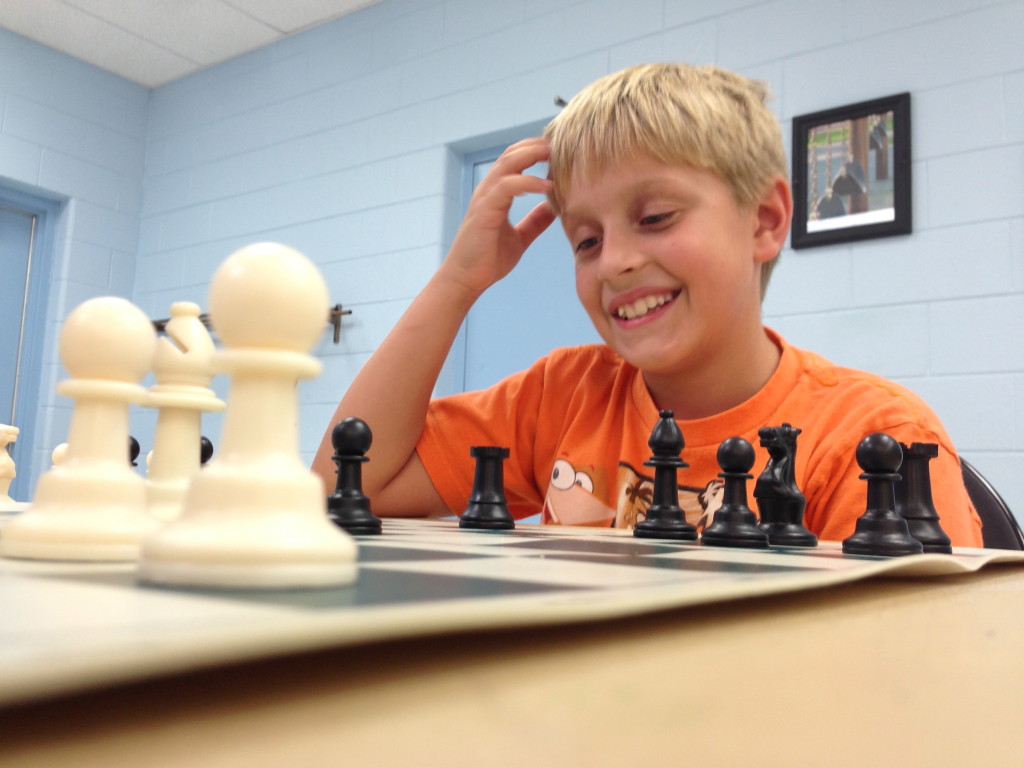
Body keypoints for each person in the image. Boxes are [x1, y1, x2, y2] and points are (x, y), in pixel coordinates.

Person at [312, 63, 982, 546]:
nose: (616, 262)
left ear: (766, 220)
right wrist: (458, 281)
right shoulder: (562, 396)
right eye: (585, 240)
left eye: (656, 216)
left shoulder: (871, 436)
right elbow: (346, 485)